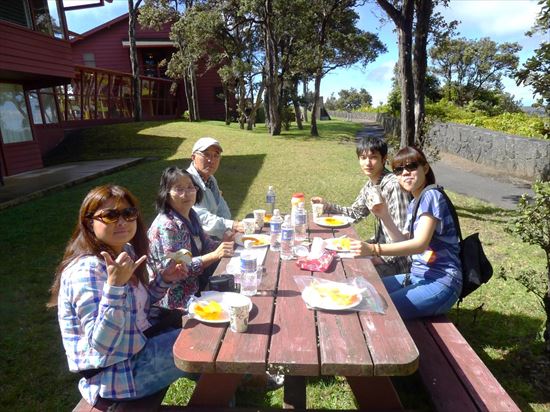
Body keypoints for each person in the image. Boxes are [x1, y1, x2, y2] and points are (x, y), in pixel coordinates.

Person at [47, 185, 193, 406]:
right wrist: (114, 287)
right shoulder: (86, 271)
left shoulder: (125, 251)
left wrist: (165, 279)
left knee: (208, 338)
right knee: (200, 346)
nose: (122, 221)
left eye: (128, 213)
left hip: (139, 347)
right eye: (110, 215)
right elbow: (103, 346)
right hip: (118, 374)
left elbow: (137, 307)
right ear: (89, 222)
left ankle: (228, 388)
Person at [349, 146, 462, 320]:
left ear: (424, 168)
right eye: (399, 170)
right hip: (417, 275)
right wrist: (385, 216)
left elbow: (419, 245)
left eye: (411, 166)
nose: (405, 173)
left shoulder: (431, 195)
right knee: (363, 294)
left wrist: (373, 249)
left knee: (378, 309)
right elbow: (402, 241)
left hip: (441, 281)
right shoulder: (415, 201)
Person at [311, 136, 411, 277]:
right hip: (378, 248)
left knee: (349, 274)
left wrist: (379, 256)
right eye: (363, 157)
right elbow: (354, 213)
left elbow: (404, 240)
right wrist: (327, 206)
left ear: (384, 159)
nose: (368, 163)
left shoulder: (393, 186)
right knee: (333, 258)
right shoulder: (370, 186)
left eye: (373, 157)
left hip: (397, 262)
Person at [148, 167, 234, 309]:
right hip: (175, 300)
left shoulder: (191, 214)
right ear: (167, 194)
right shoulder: (168, 225)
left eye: (190, 187)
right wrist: (215, 255)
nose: (186, 194)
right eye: (179, 189)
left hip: (197, 286)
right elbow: (179, 268)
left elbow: (206, 243)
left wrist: (224, 242)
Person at [187, 137, 244, 239]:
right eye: (206, 154)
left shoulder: (210, 179)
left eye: (216, 155)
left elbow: (222, 208)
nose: (211, 160)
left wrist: (230, 229)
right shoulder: (186, 182)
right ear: (193, 157)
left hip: (209, 240)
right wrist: (231, 225)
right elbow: (199, 217)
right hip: (190, 244)